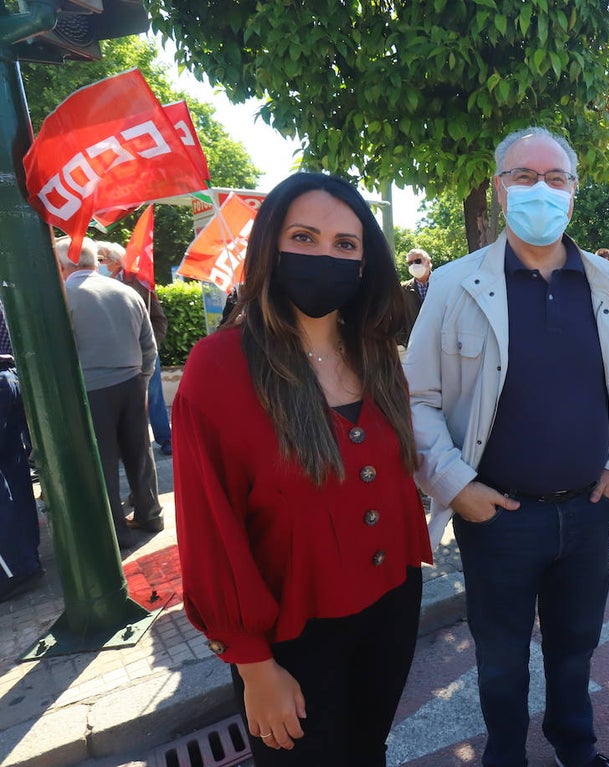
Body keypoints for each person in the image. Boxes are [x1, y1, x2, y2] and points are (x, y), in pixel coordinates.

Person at [404, 126, 609, 767]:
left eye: (556, 178)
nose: (541, 190)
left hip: (590, 510)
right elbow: (416, 399)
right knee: (501, 657)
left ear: (574, 190)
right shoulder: (454, 287)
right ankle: (504, 756)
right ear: (498, 187)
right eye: (523, 176)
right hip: (498, 516)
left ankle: (577, 746)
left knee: (576, 648)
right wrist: (457, 486)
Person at [172, 173, 433, 766]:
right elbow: (210, 529)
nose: (326, 255)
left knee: (368, 751)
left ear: (367, 262)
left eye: (346, 244)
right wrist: (254, 666)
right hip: (294, 634)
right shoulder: (219, 368)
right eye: (304, 237)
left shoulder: (374, 352)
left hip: (391, 607)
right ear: (270, 246)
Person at [56, 236, 162, 547]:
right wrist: (141, 379)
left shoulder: (65, 297)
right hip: (131, 383)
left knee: (102, 463)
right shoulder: (126, 292)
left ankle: (116, 531)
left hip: (92, 389)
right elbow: (149, 345)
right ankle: (150, 512)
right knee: (140, 453)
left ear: (63, 265)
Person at [95, 241, 172, 456]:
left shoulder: (138, 282)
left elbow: (159, 319)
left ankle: (165, 438)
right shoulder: (102, 284)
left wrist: (151, 343)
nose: (98, 263)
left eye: (101, 259)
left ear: (114, 260)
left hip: (144, 350)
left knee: (154, 396)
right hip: (117, 354)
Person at [0, 304, 42, 603]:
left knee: (8, 479)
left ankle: (17, 567)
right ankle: (27, 554)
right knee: (14, 472)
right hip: (9, 377)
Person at [398, 248, 432, 346]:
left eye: (417, 261)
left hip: (443, 345)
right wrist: (406, 341)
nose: (413, 265)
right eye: (410, 263)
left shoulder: (443, 284)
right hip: (416, 347)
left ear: (428, 261)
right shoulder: (403, 290)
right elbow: (398, 319)